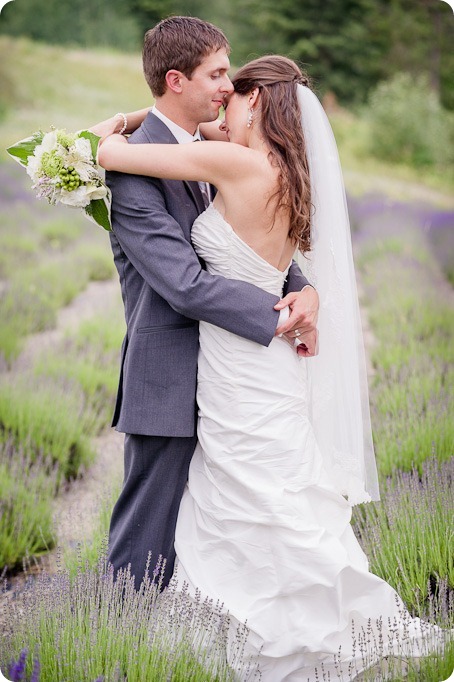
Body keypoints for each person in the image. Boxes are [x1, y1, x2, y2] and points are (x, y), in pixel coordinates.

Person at [98, 53, 447, 680]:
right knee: (276, 492)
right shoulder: (288, 169)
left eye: (234, 91)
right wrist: (301, 298)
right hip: (271, 366)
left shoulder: (232, 162)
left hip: (239, 359)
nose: (223, 98)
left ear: (256, 104)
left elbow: (113, 158)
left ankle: (240, 626)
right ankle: (311, 613)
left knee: (240, 492)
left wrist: (102, 136)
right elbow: (188, 130)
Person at [90, 17, 319, 593]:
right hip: (170, 373)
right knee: (148, 532)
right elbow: (186, 284)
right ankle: (120, 637)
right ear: (176, 79)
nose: (227, 85)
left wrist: (301, 287)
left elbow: (246, 244)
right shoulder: (131, 170)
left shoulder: (212, 148)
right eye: (217, 73)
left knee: (228, 525)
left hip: (229, 380)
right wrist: (274, 316)